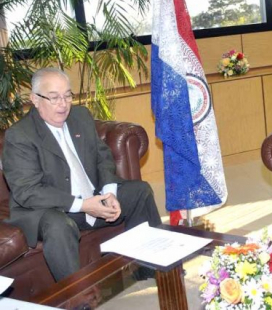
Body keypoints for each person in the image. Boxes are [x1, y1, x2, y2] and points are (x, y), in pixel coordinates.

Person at [2, 67, 162, 281]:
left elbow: (102, 156)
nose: (63, 104)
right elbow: (28, 191)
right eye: (54, 97)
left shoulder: (80, 116)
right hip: (52, 209)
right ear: (35, 99)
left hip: (92, 197)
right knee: (59, 226)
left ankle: (150, 271)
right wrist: (83, 205)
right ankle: (79, 299)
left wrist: (109, 192)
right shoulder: (20, 135)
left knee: (139, 192)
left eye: (68, 95)